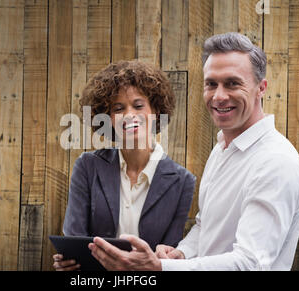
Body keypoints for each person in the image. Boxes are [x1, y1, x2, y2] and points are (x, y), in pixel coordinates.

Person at [88, 32, 299, 271]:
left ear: (261, 88)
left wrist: (161, 268)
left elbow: (250, 263)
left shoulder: (275, 162)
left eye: (233, 83)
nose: (219, 96)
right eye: (211, 84)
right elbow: (206, 226)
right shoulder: (223, 147)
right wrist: (181, 253)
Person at [53, 60, 196, 271]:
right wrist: (68, 262)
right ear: (107, 118)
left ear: (156, 110)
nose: (129, 115)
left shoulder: (183, 181)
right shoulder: (87, 167)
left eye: (138, 106)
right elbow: (75, 240)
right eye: (118, 109)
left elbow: (167, 254)